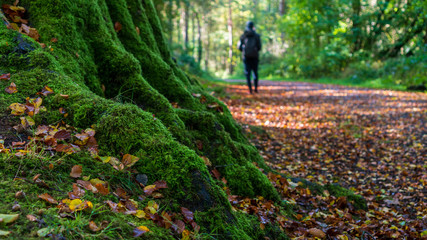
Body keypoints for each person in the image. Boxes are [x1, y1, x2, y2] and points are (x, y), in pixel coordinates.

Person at [238, 21, 262, 94]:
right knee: (255, 72)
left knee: (247, 73)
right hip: (255, 57)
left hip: (246, 57)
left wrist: (244, 51)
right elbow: (259, 47)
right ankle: (255, 89)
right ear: (253, 26)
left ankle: (250, 89)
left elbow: (239, 47)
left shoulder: (243, 35)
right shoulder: (256, 36)